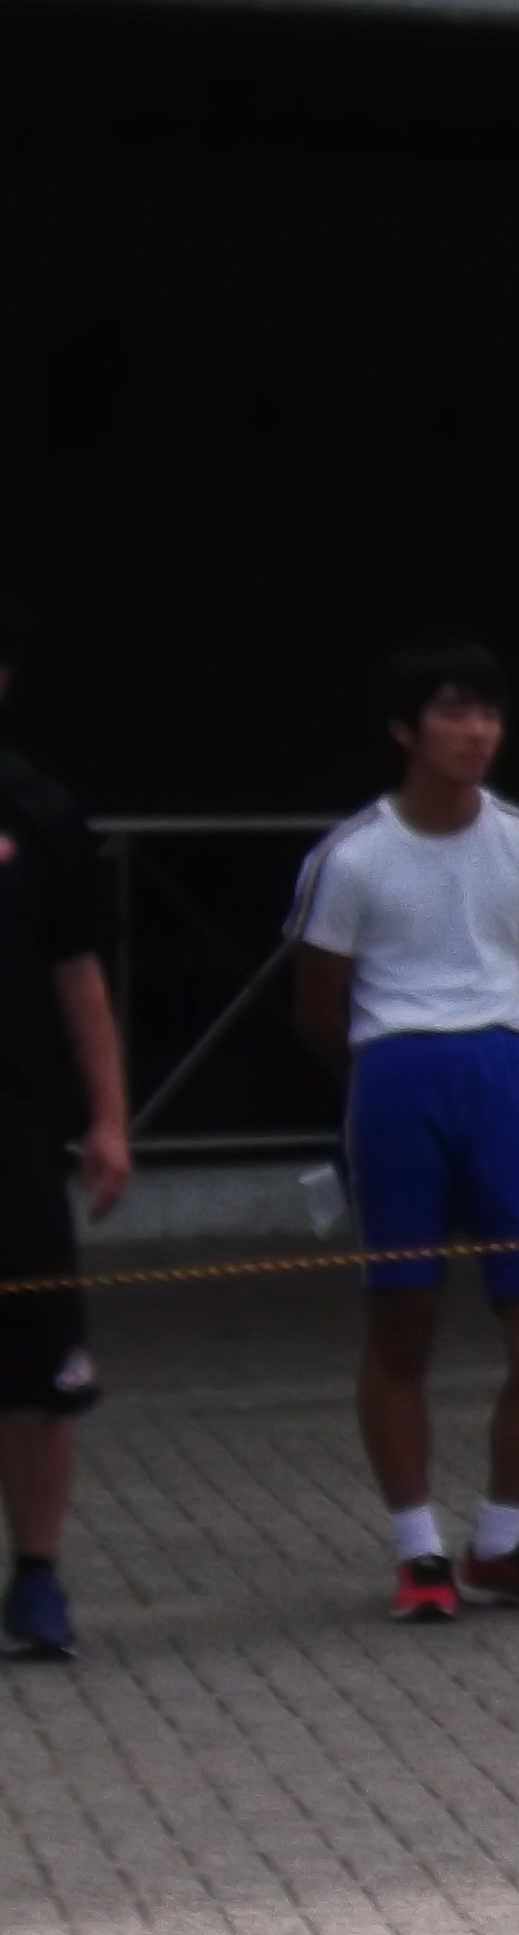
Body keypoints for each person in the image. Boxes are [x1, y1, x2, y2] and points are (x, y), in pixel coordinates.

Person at [288, 640, 519, 1623]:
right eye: (454, 713)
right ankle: (417, 1548)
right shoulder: (352, 855)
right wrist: (384, 1080)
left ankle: (500, 1541)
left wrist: (492, 1049)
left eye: (489, 714)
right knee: (402, 1322)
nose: (476, 733)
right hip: (395, 1074)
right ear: (404, 729)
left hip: (501, 1071)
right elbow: (319, 1004)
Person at [0, 611, 126, 1662]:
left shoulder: (39, 807)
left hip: (17, 1125)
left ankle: (36, 1579)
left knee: (42, 1370)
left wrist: (110, 1117)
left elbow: (78, 973)